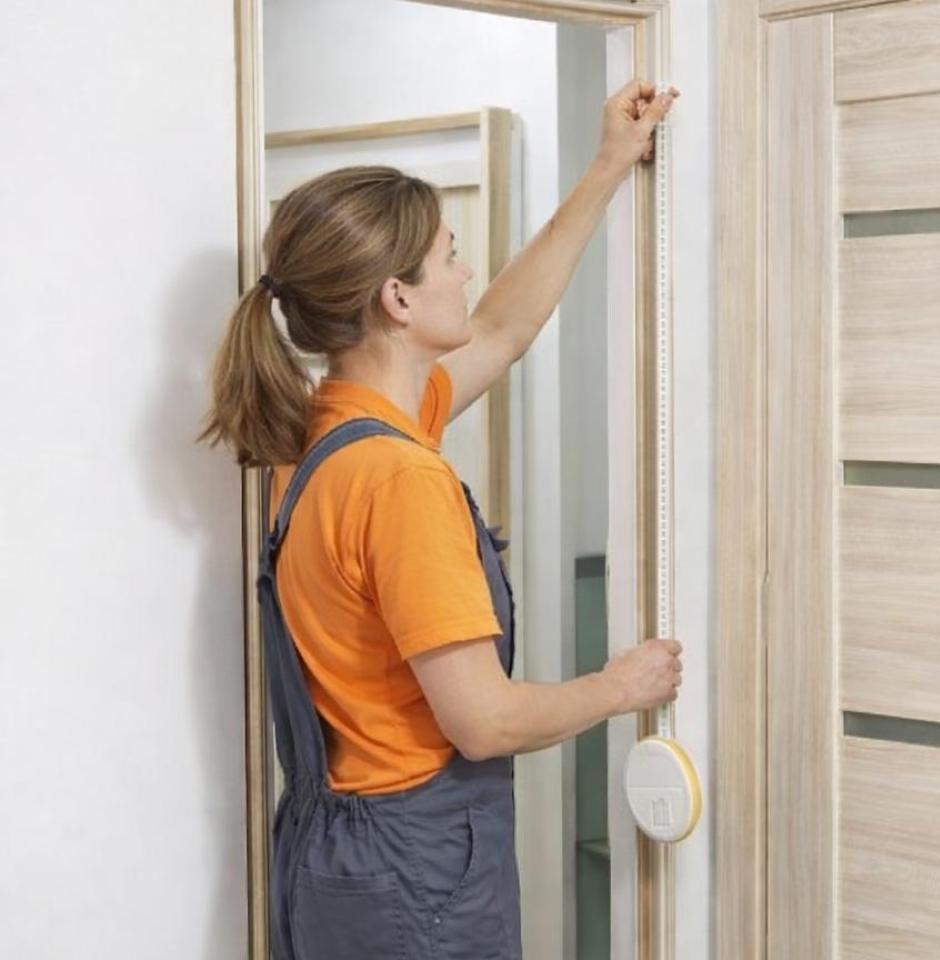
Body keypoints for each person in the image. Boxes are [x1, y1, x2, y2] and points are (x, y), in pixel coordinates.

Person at [200, 80, 681, 960]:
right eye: (451, 256)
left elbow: (504, 326)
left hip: (329, 853)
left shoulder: (320, 436)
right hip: (414, 865)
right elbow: (484, 722)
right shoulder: (398, 478)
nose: (466, 273)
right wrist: (626, 685)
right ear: (398, 298)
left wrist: (609, 167)